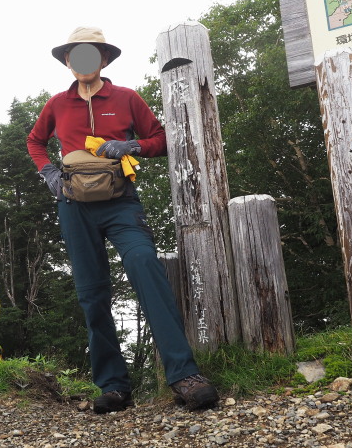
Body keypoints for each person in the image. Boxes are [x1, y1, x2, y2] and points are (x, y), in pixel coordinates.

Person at [26, 26, 219, 414]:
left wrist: (132, 145)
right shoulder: (57, 104)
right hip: (73, 206)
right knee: (92, 293)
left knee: (145, 264)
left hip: (121, 202)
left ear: (104, 60)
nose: (82, 62)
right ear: (68, 62)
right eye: (75, 56)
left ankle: (184, 375)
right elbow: (34, 141)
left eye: (90, 55)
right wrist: (48, 173)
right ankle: (113, 386)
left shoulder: (127, 98)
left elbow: (161, 139)